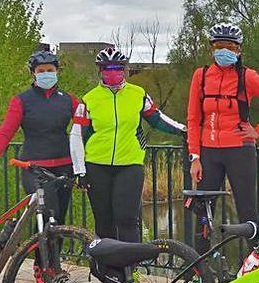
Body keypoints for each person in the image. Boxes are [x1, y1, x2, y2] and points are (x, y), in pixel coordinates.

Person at [186, 22, 259, 252]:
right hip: (208, 151)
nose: (225, 51)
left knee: (247, 211)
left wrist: (258, 131)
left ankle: (257, 267)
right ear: (212, 49)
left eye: (230, 47)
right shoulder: (200, 76)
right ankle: (200, 272)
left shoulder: (247, 77)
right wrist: (195, 156)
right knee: (203, 212)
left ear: (239, 50)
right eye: (220, 46)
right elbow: (193, 118)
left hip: (240, 151)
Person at [70, 47, 186, 242]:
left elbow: (157, 119)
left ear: (124, 70)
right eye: (107, 68)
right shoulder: (89, 100)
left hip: (130, 164)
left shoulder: (138, 94)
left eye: (117, 68)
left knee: (127, 219)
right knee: (104, 221)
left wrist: (183, 130)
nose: (112, 72)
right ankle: (106, 269)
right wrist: (79, 170)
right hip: (97, 165)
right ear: (100, 71)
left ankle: (130, 269)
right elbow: (75, 135)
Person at [0, 49, 78, 226]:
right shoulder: (22, 100)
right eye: (41, 71)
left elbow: (85, 129)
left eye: (50, 70)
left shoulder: (69, 100)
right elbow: (4, 134)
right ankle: (15, 233)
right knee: (48, 215)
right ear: (33, 73)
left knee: (59, 221)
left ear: (57, 71)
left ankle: (47, 254)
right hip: (34, 169)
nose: (46, 74)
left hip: (64, 168)